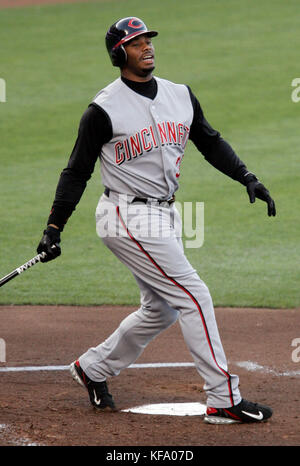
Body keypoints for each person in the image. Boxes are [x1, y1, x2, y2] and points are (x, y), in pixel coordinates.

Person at [37, 17, 276, 424]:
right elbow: (76, 172)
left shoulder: (179, 94)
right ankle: (223, 397)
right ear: (119, 54)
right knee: (194, 295)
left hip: (164, 213)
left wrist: (246, 176)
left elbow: (210, 140)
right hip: (125, 215)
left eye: (147, 39)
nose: (146, 46)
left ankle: (92, 368)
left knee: (162, 309)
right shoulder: (102, 109)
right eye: (135, 42)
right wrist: (54, 227)